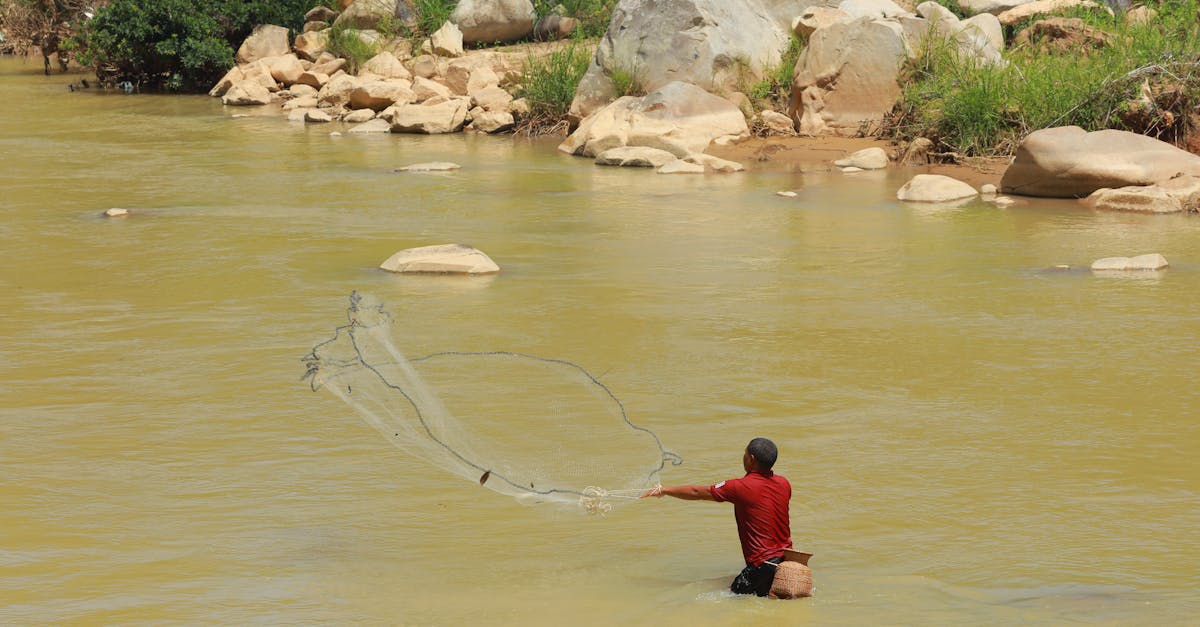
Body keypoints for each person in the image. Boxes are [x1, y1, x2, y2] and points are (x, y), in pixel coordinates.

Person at [642, 437, 793, 597]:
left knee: (733, 602)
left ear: (751, 459)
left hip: (762, 566)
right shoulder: (784, 483)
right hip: (787, 562)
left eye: (745, 453)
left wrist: (664, 490)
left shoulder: (740, 486)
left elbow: (697, 492)